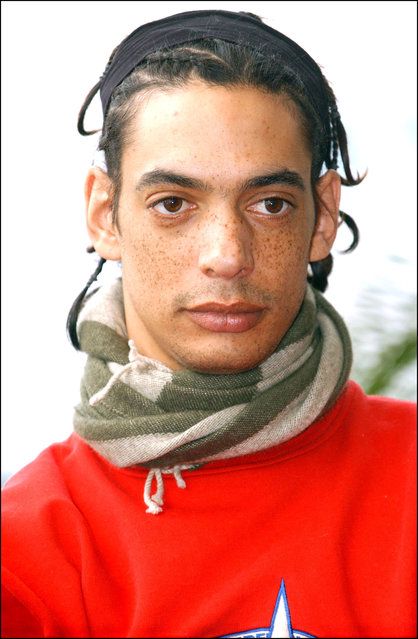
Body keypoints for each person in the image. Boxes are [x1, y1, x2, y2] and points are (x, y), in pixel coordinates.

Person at [1, 9, 416, 639]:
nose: (226, 255)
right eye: (173, 203)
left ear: (324, 217)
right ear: (105, 214)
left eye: (270, 204)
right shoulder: (27, 553)